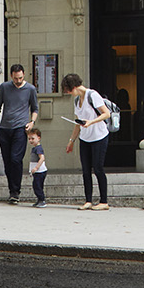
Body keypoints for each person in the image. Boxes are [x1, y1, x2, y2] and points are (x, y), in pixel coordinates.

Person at [0, 63, 39, 203]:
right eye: (16, 78)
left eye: (21, 78)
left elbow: (35, 108)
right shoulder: (4, 87)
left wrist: (32, 122)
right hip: (4, 129)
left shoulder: (30, 89)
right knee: (7, 162)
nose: (18, 81)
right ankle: (12, 189)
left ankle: (15, 192)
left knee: (15, 159)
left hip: (20, 129)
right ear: (11, 76)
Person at [62, 72, 111, 210]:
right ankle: (88, 200)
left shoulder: (92, 95)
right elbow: (77, 123)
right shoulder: (77, 100)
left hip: (99, 137)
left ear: (74, 87)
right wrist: (71, 141)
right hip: (85, 138)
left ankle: (104, 201)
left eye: (69, 90)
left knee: (98, 168)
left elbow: (106, 113)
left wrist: (91, 122)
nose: (69, 93)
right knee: (85, 170)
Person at [26, 126, 49, 207]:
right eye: (29, 139)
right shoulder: (35, 148)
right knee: (38, 185)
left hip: (40, 171)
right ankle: (39, 200)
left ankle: (42, 200)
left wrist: (36, 168)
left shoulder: (38, 148)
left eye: (32, 138)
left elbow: (42, 158)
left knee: (37, 186)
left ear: (38, 138)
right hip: (38, 172)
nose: (30, 141)